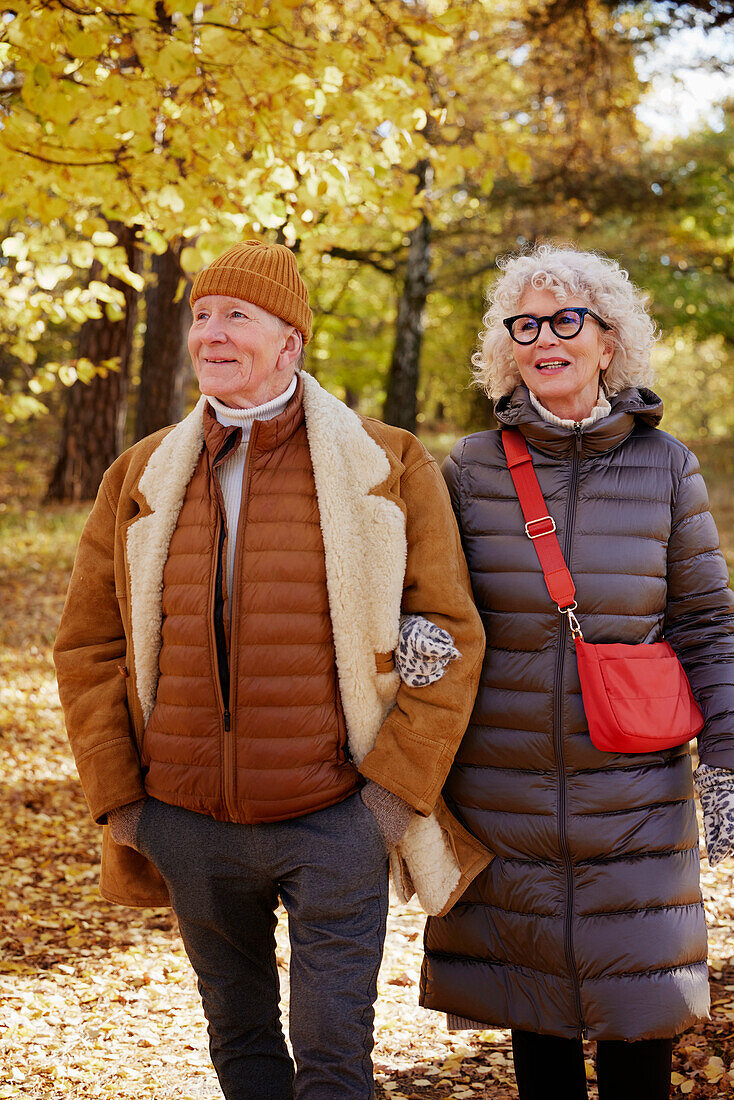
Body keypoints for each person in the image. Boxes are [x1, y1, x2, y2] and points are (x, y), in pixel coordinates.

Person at [54, 240, 488, 1100]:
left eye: (236, 316)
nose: (211, 333)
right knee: (242, 1048)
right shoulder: (139, 475)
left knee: (333, 1062)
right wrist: (126, 804)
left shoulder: (388, 463)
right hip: (186, 822)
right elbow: (88, 646)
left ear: (290, 342)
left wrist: (389, 800)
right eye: (201, 316)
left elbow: (447, 634)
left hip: (336, 819)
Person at [418, 244, 734, 1100]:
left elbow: (706, 621)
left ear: (608, 340)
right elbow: (434, 605)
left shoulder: (667, 466)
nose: (544, 338)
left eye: (566, 321)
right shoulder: (471, 468)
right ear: (508, 347)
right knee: (535, 1019)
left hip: (634, 787)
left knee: (642, 1016)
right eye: (526, 325)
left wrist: (729, 767)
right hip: (504, 783)